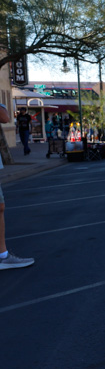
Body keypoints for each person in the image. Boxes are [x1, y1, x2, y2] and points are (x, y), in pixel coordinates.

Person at [0, 102, 34, 270]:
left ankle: (3, 255)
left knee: (0, 207)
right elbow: (4, 116)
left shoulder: (25, 117)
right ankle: (2, 256)